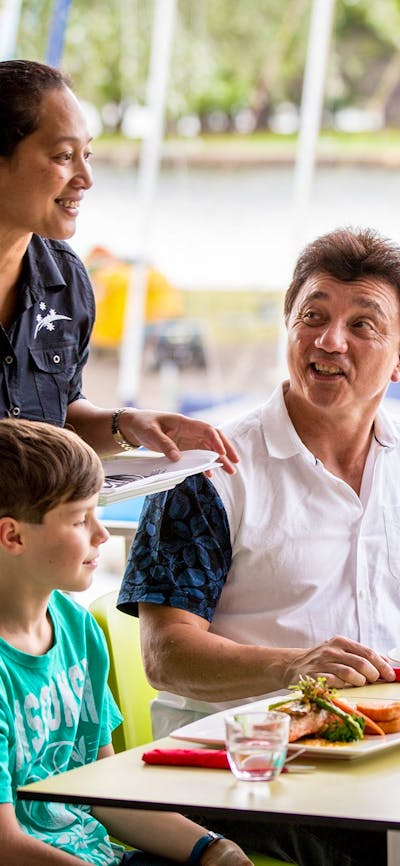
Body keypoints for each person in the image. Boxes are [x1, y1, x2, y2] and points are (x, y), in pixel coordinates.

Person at [116, 225, 400, 865]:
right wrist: (296, 669)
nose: (330, 341)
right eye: (314, 317)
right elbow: (166, 654)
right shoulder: (209, 472)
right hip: (240, 775)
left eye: (364, 325)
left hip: (378, 761)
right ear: (289, 327)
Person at [0, 417, 251, 866]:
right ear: (13, 535)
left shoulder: (79, 632)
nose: (101, 535)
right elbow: (6, 845)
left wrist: (212, 848)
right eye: (80, 520)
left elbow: (102, 790)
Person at [0, 58, 237, 471]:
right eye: (64, 155)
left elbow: (61, 421)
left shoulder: (67, 280)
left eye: (87, 154)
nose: (86, 177)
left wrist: (128, 426)